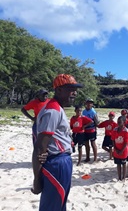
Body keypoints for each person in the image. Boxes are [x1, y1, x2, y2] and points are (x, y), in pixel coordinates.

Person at [31, 74, 82, 211]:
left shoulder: (57, 108)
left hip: (61, 161)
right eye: (71, 89)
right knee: (52, 206)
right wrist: (37, 180)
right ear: (58, 90)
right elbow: (40, 146)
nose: (75, 93)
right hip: (56, 163)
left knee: (59, 204)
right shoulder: (52, 110)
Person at [111, 116, 128, 181]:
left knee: (123, 164)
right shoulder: (115, 130)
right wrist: (115, 149)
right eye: (118, 122)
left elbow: (126, 142)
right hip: (116, 149)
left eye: (120, 122)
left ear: (124, 123)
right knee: (118, 164)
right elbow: (113, 140)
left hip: (123, 150)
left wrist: (121, 151)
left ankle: (123, 177)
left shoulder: (126, 131)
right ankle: (119, 177)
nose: (118, 123)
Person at [83, 98, 100, 162]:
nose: (89, 104)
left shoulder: (93, 112)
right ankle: (87, 157)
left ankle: (95, 158)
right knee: (86, 144)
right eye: (88, 103)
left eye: (90, 103)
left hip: (92, 130)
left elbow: (96, 121)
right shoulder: (84, 111)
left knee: (93, 144)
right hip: (85, 130)